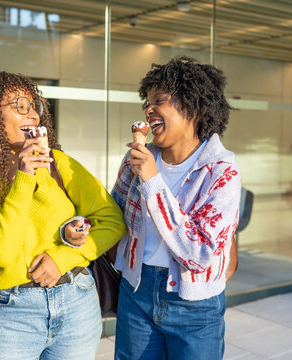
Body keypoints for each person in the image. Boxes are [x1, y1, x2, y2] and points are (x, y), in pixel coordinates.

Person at [0, 71, 126, 360]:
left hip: (77, 301)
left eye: (34, 106)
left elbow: (112, 221)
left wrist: (62, 258)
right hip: (12, 315)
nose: (33, 114)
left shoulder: (58, 164)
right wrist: (24, 179)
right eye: (19, 106)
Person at [111, 56, 241, 360]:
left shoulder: (222, 172)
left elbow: (199, 254)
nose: (149, 109)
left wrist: (153, 181)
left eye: (160, 101)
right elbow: (112, 217)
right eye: (147, 102)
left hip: (194, 306)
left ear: (193, 107)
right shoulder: (136, 162)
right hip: (137, 293)